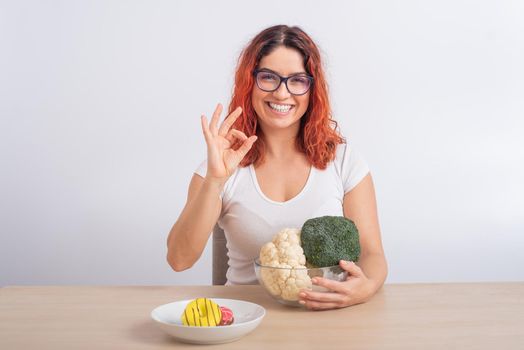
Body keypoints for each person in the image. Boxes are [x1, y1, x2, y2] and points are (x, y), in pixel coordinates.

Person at [167, 25, 387, 310]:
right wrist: (214, 181)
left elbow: (373, 254)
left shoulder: (344, 162)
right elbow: (179, 259)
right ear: (250, 82)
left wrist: (365, 287)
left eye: (297, 80)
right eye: (268, 77)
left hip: (327, 320)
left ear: (312, 89)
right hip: (243, 319)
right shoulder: (221, 165)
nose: (282, 93)